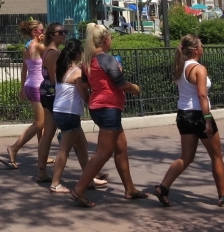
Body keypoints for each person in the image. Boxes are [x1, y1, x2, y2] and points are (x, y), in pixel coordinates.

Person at [154, 35, 224, 207]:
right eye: (202, 46)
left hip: (183, 115)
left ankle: (163, 187)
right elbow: (202, 95)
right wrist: (207, 119)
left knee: (186, 157)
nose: (203, 48)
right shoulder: (199, 69)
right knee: (216, 156)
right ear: (195, 50)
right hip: (199, 115)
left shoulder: (181, 67)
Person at [69, 23, 145, 207]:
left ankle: (130, 189)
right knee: (103, 153)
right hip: (108, 107)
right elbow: (121, 84)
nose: (111, 40)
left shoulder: (89, 60)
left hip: (99, 107)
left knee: (121, 148)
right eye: (110, 37)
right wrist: (134, 87)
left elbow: (86, 83)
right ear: (104, 40)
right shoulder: (106, 58)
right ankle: (79, 189)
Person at [48, 38, 109, 193]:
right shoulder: (77, 73)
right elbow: (85, 95)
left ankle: (89, 178)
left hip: (60, 112)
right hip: (69, 114)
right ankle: (55, 183)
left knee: (82, 147)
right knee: (64, 150)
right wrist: (95, 104)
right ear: (78, 54)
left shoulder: (61, 69)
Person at [3, 21, 47, 169]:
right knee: (40, 123)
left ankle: (42, 155)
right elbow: (53, 52)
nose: (44, 32)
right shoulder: (39, 46)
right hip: (37, 86)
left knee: (41, 124)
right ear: (35, 32)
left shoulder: (26, 47)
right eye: (42, 30)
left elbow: (24, 70)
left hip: (29, 85)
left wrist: (22, 88)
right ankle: (14, 148)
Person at [36, 23, 65, 182]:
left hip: (46, 93)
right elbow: (55, 79)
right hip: (53, 94)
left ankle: (41, 171)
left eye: (64, 32)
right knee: (72, 133)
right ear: (52, 35)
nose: (64, 34)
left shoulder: (49, 50)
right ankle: (90, 172)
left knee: (48, 133)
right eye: (60, 32)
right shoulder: (53, 53)